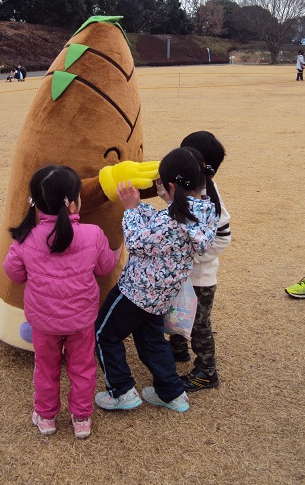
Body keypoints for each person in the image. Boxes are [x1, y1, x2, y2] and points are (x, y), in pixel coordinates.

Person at [95, 147, 218, 413]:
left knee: (105, 333)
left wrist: (129, 208)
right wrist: (149, 205)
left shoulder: (172, 218)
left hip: (135, 292)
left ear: (171, 185)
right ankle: (171, 392)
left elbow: (138, 242)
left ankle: (121, 391)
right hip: (162, 296)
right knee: (151, 341)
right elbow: (168, 223)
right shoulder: (205, 211)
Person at [2, 165, 120, 439]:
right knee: (82, 368)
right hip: (81, 320)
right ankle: (81, 419)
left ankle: (46, 417)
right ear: (74, 202)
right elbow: (105, 269)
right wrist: (113, 251)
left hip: (44, 322)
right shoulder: (93, 234)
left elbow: (13, 273)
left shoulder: (25, 238)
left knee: (46, 368)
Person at [165, 131, 231, 392]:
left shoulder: (210, 198)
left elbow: (223, 236)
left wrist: (194, 255)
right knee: (176, 311)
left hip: (200, 276)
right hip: (183, 272)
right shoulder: (187, 186)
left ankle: (207, 370)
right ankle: (178, 349)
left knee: (198, 324)